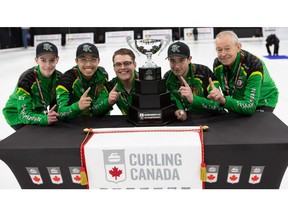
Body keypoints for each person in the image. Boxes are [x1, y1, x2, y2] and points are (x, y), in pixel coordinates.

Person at [208, 30, 279, 115]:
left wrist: (224, 100)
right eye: (219, 50)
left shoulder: (253, 65)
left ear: (238, 47)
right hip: (239, 99)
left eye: (227, 49)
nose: (223, 54)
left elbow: (249, 106)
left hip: (263, 101)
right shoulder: (218, 64)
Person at [2, 42, 62, 130]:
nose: (48, 65)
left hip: (38, 112)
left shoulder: (60, 78)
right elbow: (24, 115)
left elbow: (59, 105)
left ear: (57, 60)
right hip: (17, 115)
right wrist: (44, 119)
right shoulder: (27, 79)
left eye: (52, 60)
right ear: (36, 60)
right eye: (43, 60)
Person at [164, 41, 226, 121]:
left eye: (181, 60)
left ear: (189, 59)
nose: (176, 66)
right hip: (188, 124)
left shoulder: (204, 72)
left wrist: (193, 99)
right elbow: (171, 102)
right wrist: (178, 111)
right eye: (172, 61)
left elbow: (217, 106)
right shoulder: (167, 78)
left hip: (215, 121)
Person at [56, 43, 110, 121]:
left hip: (97, 121)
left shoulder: (102, 75)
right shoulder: (66, 80)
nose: (88, 64)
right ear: (76, 61)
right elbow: (61, 113)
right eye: (83, 59)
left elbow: (104, 106)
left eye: (93, 59)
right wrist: (78, 106)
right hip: (74, 123)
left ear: (98, 61)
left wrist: (107, 102)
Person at [105, 48, 138, 115]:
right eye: (118, 64)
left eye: (127, 63)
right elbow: (96, 111)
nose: (122, 67)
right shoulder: (111, 86)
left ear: (134, 65)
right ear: (114, 67)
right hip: (128, 123)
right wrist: (107, 102)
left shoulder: (146, 82)